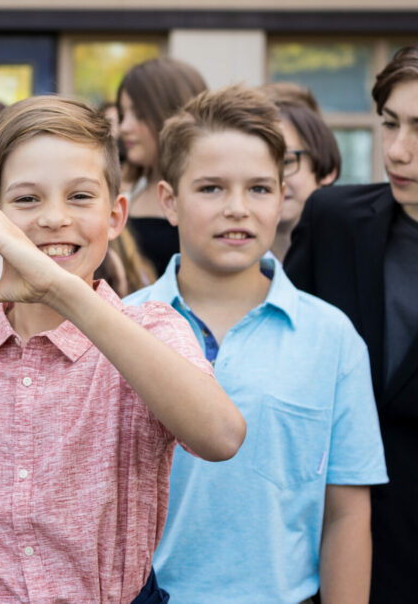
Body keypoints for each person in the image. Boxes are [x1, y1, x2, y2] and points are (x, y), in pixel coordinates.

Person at [0, 95, 245, 603]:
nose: (54, 217)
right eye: (27, 199)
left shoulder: (153, 330)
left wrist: (63, 292)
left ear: (115, 215)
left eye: (79, 197)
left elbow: (221, 436)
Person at [126, 85, 386, 603]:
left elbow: (347, 513)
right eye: (212, 188)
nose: (238, 208)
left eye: (260, 189)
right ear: (170, 202)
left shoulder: (331, 336)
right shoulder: (120, 326)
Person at [285, 44, 418, 603]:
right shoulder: (333, 219)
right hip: (325, 543)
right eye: (389, 124)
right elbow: (280, 344)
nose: (397, 151)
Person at [117, 57, 207, 276]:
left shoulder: (207, 202)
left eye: (138, 114)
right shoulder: (126, 195)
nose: (123, 127)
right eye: (123, 114)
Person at [267, 101, 340, 260]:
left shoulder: (347, 257)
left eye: (287, 162)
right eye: (263, 163)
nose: (275, 179)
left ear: (327, 170)